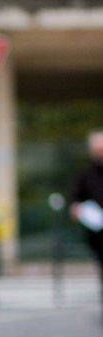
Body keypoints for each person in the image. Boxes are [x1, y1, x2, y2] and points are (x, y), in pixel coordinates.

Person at [69, 128, 103, 320]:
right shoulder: (86, 175)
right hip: (98, 237)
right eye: (97, 149)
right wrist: (77, 210)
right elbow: (74, 201)